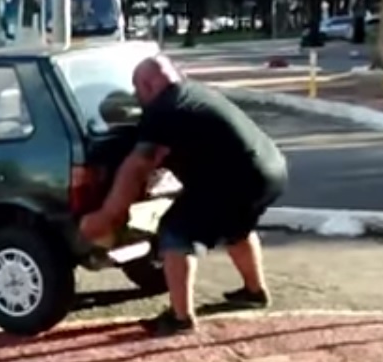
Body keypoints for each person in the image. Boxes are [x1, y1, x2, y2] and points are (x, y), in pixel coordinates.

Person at [79, 55, 288, 336]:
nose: (136, 99)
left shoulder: (164, 109)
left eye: (137, 91)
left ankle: (180, 318)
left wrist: (107, 215)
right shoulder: (194, 93)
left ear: (147, 85)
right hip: (270, 169)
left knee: (177, 231)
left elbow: (139, 164)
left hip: (236, 178)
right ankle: (254, 291)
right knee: (236, 225)